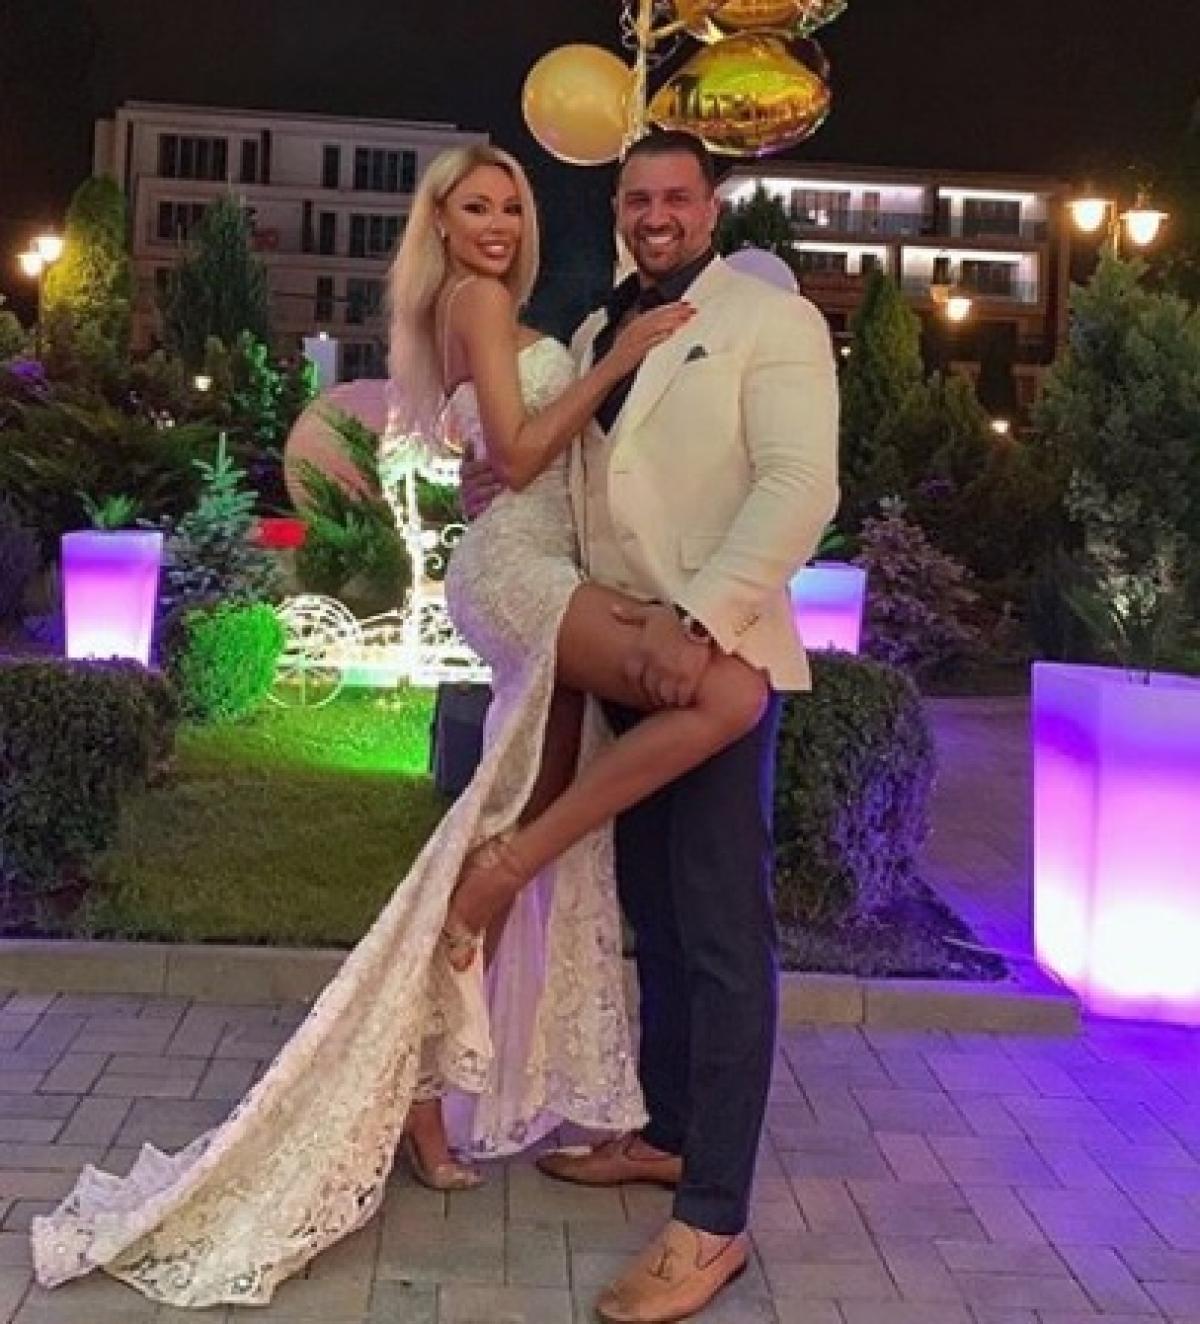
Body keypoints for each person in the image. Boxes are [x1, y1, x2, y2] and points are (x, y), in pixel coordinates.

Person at [27, 142, 784, 1312]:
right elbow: (523, 451)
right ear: (441, 224)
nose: (497, 225)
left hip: (546, 558)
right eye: (474, 207)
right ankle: (489, 894)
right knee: (724, 695)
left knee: (515, 810)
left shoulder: (519, 316)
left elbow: (532, 458)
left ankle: (426, 1079)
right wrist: (619, 358)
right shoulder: (479, 300)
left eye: (510, 206)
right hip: (521, 573)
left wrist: (565, 418)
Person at [462, 130, 839, 1322]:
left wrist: (701, 618)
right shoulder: (595, 334)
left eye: (677, 195)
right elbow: (586, 482)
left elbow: (798, 486)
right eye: (637, 198)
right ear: (619, 210)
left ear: (711, 206)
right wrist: (498, 483)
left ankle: (712, 1219)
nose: (657, 213)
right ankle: (669, 1132)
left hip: (718, 652)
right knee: (657, 917)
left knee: (723, 934)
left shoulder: (772, 321)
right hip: (627, 655)